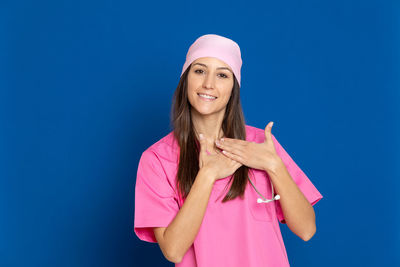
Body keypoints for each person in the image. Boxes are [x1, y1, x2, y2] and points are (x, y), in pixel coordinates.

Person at [133, 34, 323, 267]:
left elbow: (306, 229)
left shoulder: (261, 145)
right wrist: (207, 176)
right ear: (185, 79)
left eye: (222, 74)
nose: (209, 84)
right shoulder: (157, 159)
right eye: (199, 71)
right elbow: (173, 250)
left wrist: (274, 167)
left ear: (233, 87)